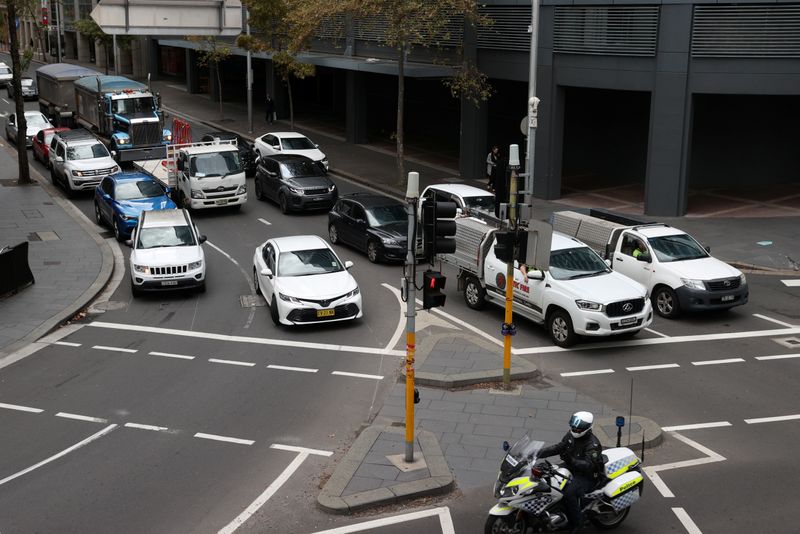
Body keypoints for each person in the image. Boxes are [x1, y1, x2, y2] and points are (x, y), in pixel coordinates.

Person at [537, 411, 605, 533]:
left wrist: (571, 460)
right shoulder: (571, 435)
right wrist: (537, 453)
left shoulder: (593, 444)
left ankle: (577, 522)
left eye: (578, 429)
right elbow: (559, 447)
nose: (574, 430)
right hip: (570, 468)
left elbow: (588, 465)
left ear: (587, 428)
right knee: (546, 477)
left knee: (569, 493)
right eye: (573, 427)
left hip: (587, 476)